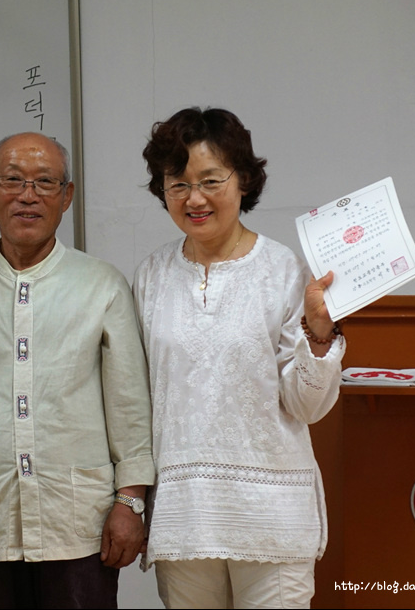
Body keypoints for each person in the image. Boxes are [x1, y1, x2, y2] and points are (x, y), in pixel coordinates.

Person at [0, 132, 154, 609]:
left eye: (44, 183)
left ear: (66, 196)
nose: (27, 195)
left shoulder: (102, 285)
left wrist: (131, 501)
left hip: (78, 520)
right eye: (12, 180)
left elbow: (130, 405)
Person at [133, 107, 346, 609]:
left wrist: (319, 332)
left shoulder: (284, 270)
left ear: (243, 180)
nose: (195, 198)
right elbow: (137, 399)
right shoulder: (151, 276)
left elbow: (307, 407)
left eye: (211, 180)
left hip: (272, 518)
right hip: (185, 515)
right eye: (178, 183)